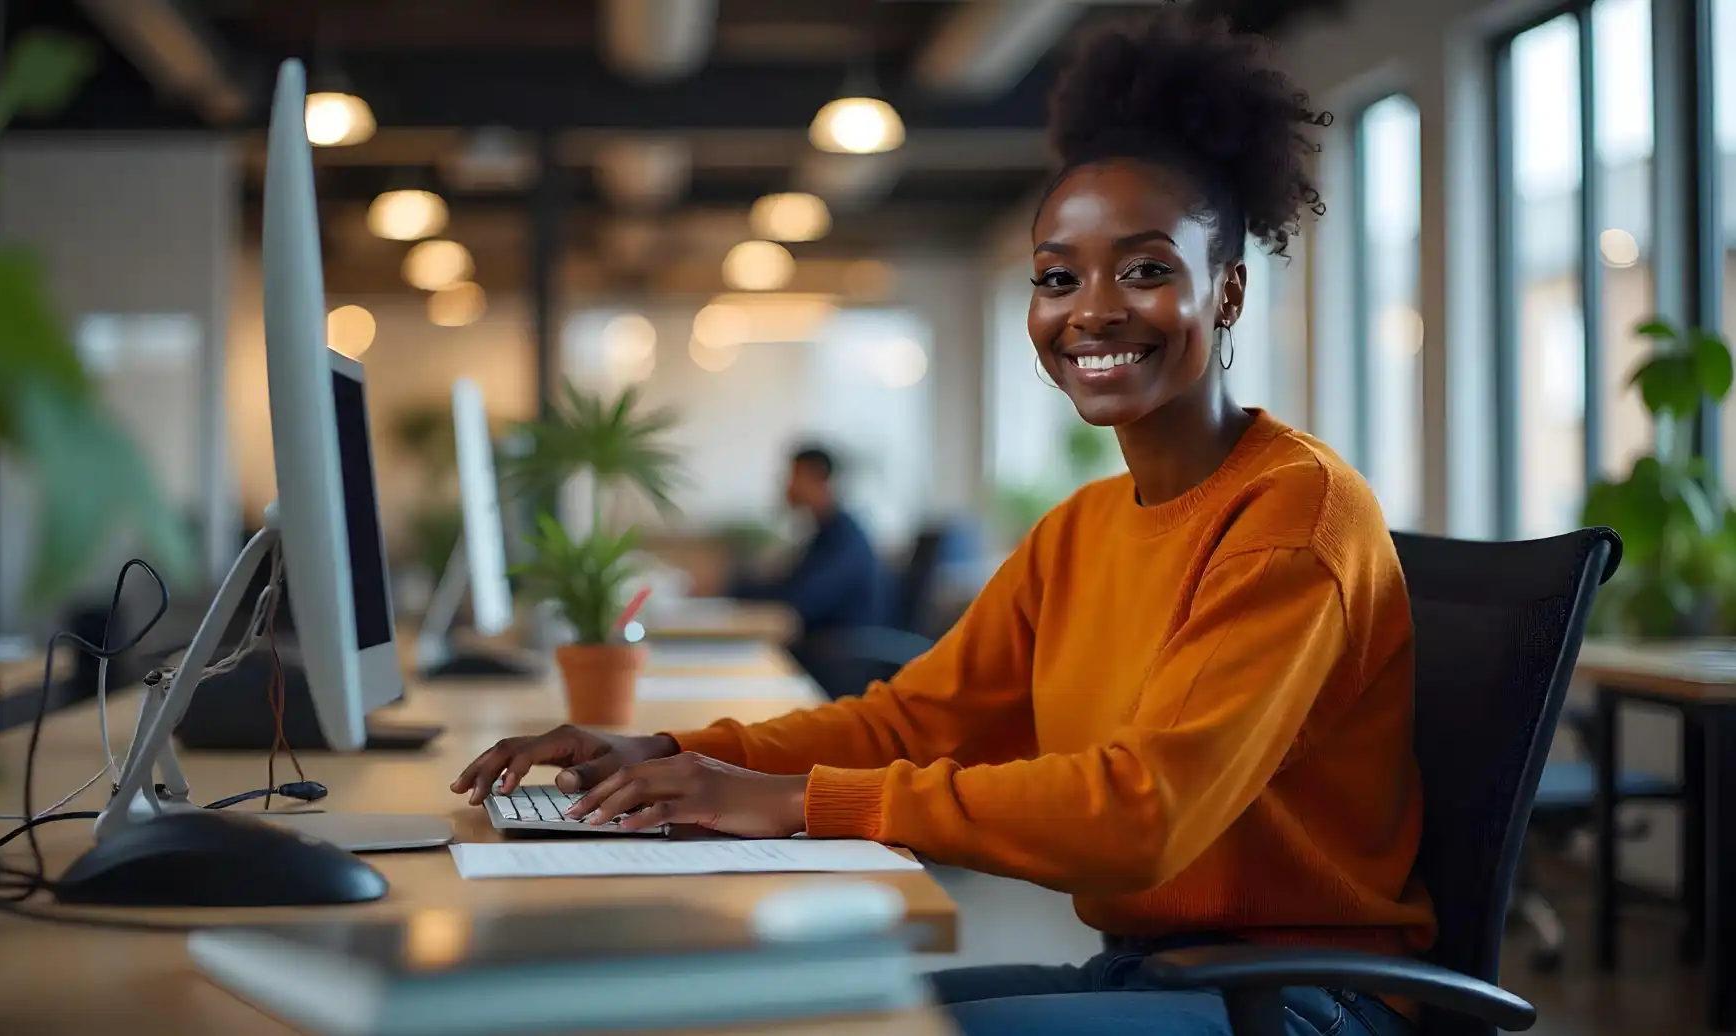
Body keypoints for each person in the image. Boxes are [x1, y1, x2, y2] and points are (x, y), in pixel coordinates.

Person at [452, 12, 1429, 1036]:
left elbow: (1144, 814)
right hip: (1155, 972)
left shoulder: (1293, 513)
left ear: (1226, 291)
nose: (1089, 309)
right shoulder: (1082, 528)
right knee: (777, 1015)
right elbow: (907, 722)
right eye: (1058, 275)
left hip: (1303, 1002)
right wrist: (659, 750)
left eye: (1144, 269)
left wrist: (796, 800)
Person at [727, 445, 885, 697]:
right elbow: (785, 588)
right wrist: (737, 587)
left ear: (819, 478)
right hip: (819, 654)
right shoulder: (821, 534)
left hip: (838, 660)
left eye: (793, 477)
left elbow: (801, 600)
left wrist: (741, 589)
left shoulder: (845, 540)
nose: (786, 487)